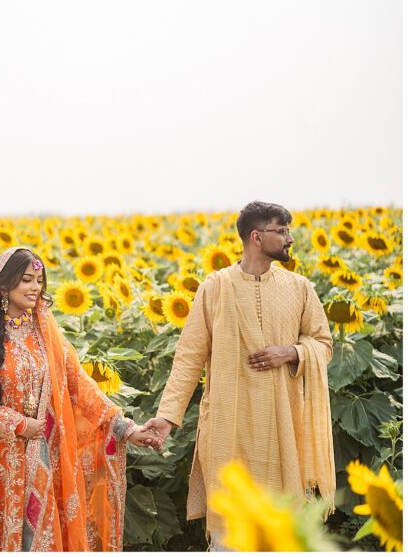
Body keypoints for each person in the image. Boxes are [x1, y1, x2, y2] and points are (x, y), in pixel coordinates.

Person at [142, 201, 335, 549]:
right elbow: (189, 357)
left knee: (282, 527)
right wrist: (167, 417)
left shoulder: (300, 288)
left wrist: (291, 352)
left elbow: (322, 342)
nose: (290, 238)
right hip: (229, 426)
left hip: (282, 425)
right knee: (230, 532)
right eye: (282, 230)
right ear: (257, 237)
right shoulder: (215, 288)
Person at [0, 246, 163, 552]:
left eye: (39, 281)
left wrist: (125, 428)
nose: (35, 288)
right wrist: (18, 424)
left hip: (40, 458)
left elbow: (78, 384)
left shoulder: (43, 330)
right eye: (27, 280)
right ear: (5, 284)